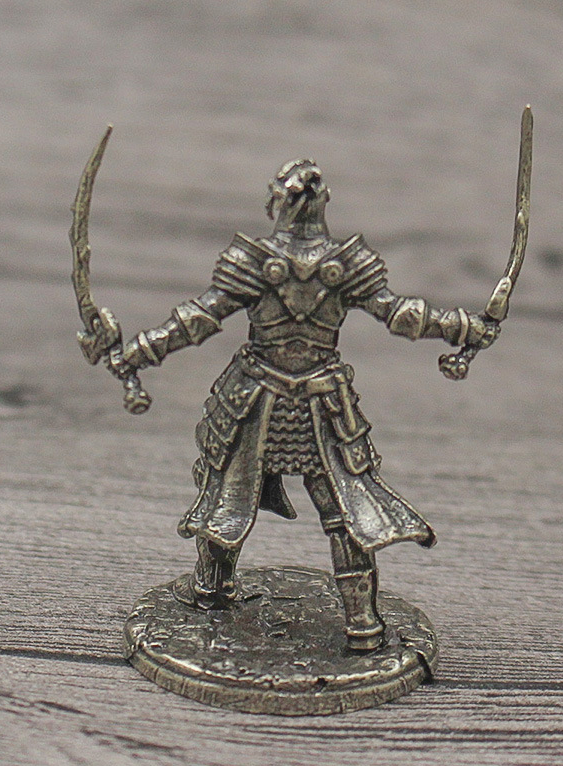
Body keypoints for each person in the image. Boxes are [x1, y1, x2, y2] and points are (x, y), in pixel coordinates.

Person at [108, 158, 499, 651]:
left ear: (276, 200)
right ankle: (355, 622)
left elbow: (197, 318)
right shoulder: (340, 264)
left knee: (240, 499)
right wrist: (464, 328)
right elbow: (399, 314)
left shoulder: (257, 261)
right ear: (324, 201)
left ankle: (225, 592)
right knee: (315, 507)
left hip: (263, 401)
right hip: (309, 403)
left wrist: (137, 353)